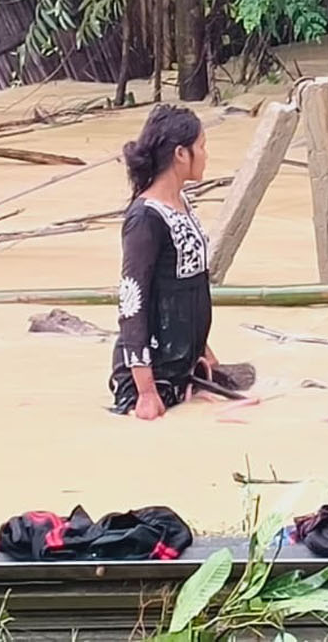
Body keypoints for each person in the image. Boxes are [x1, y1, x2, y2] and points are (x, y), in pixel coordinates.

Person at [111, 104, 223, 420]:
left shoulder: (181, 203)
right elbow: (132, 303)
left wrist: (204, 350)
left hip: (185, 368)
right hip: (154, 379)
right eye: (201, 147)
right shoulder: (145, 218)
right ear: (180, 154)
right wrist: (146, 392)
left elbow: (187, 289)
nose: (205, 154)